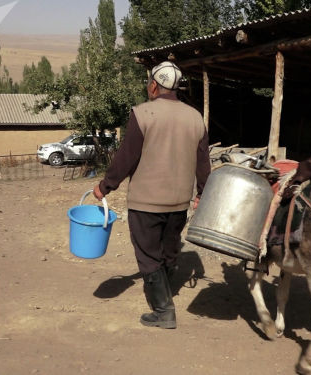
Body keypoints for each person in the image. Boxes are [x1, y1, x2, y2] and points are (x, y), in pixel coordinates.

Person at [93, 61, 210, 329]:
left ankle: (163, 310)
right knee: (169, 249)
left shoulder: (142, 113)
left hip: (146, 202)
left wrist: (106, 185)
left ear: (154, 85)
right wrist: (202, 193)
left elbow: (126, 157)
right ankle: (166, 293)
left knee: (148, 254)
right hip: (179, 202)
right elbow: (203, 163)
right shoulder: (195, 117)